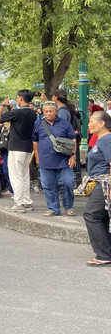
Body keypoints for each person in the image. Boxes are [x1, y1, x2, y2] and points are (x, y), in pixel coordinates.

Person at [32, 101, 77, 217]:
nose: (48, 113)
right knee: (48, 186)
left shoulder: (65, 124)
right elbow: (35, 141)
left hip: (64, 160)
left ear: (56, 112)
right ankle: (53, 208)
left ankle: (68, 206)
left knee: (68, 182)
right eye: (46, 111)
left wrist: (73, 155)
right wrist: (37, 157)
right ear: (43, 112)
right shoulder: (38, 124)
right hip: (45, 160)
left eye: (51, 111)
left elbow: (73, 140)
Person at [78, 111, 111, 266]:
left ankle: (103, 255)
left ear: (102, 123)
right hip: (99, 182)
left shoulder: (107, 139)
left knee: (91, 215)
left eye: (91, 121)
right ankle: (106, 251)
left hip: (105, 182)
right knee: (101, 217)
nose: (88, 124)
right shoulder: (100, 140)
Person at [0, 90, 38, 212]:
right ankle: (27, 201)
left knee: (16, 176)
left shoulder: (17, 113)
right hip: (27, 147)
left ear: (20, 98)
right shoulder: (33, 113)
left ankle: (19, 203)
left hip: (16, 147)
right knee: (25, 175)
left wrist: (3, 105)